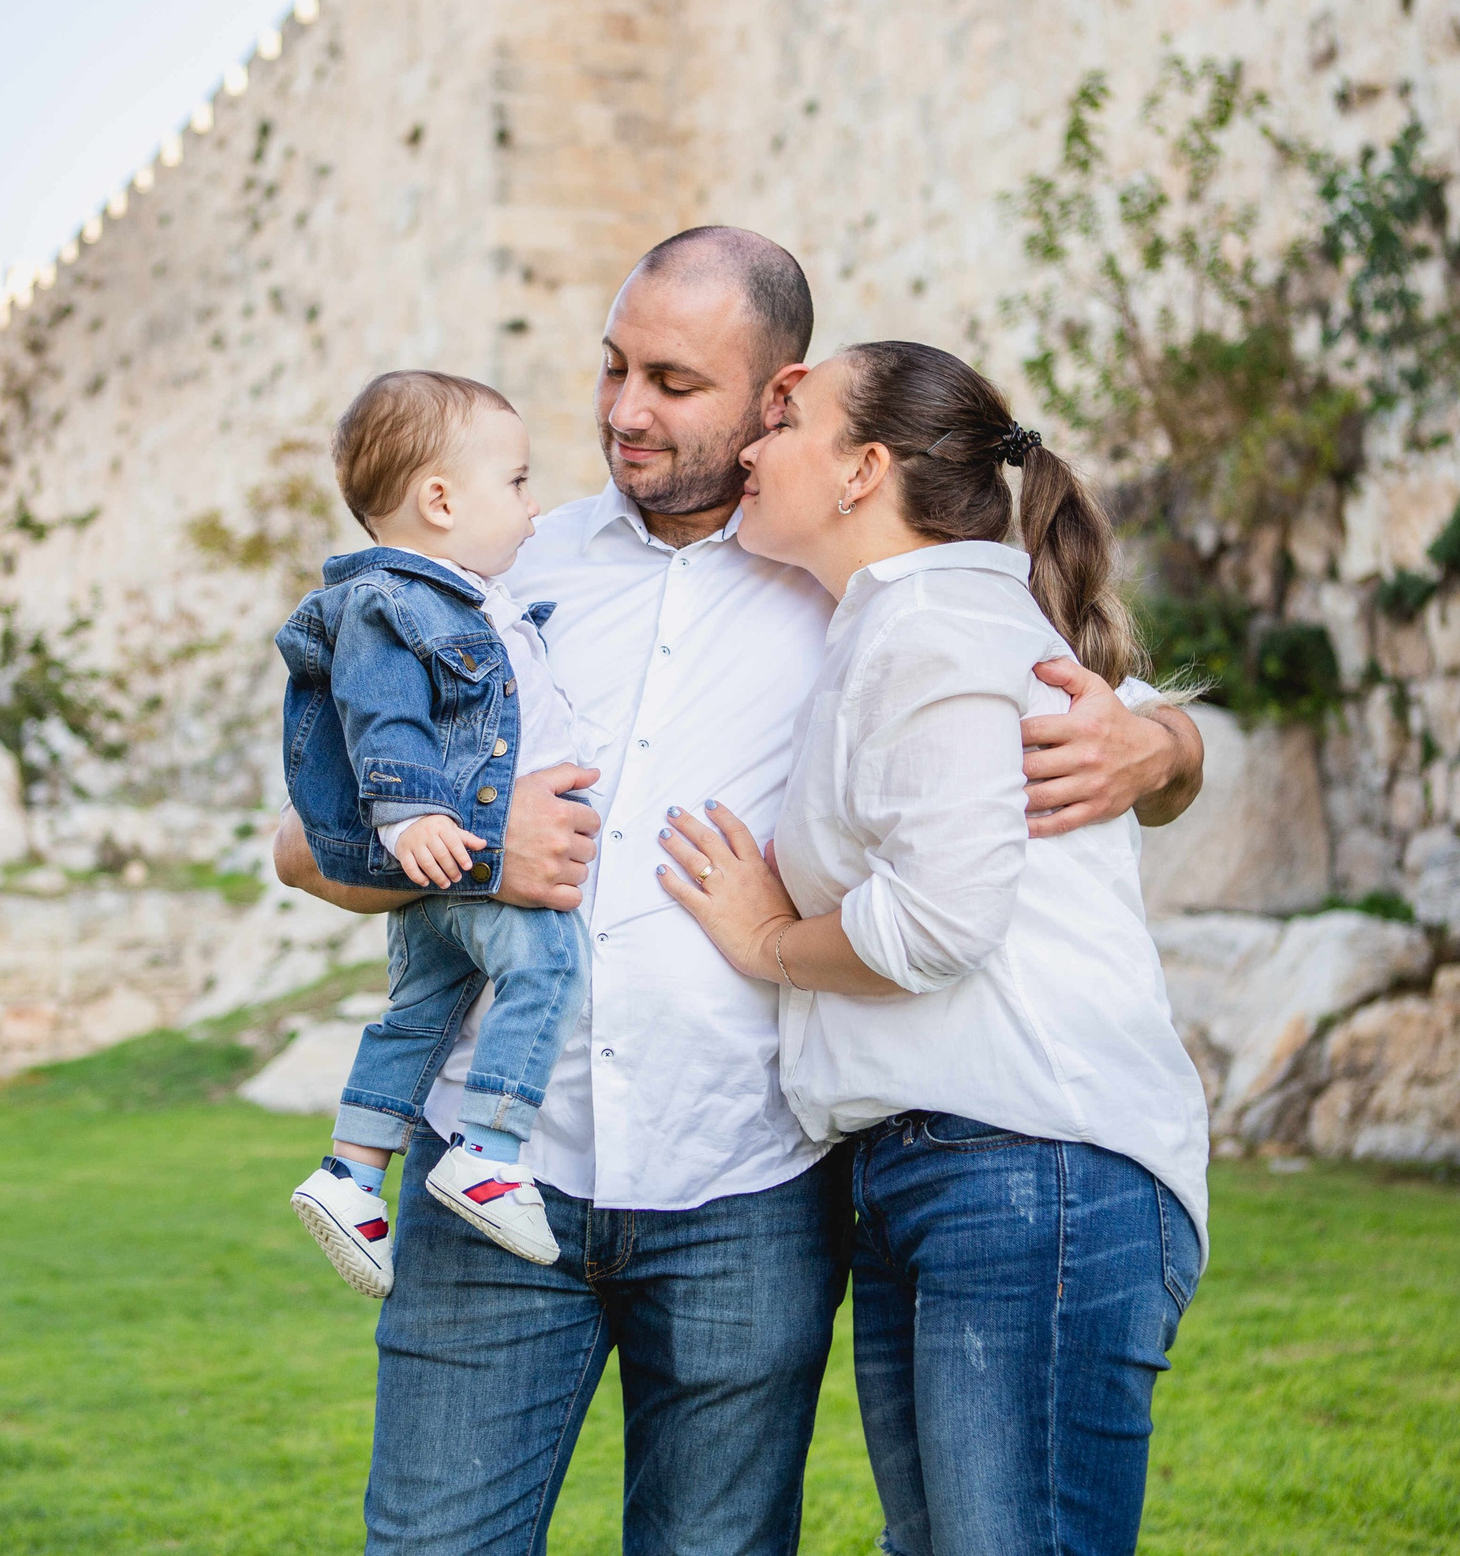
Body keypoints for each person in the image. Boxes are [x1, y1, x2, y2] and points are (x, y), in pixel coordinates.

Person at [273, 228, 1207, 1554]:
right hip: (495, 1169)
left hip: (747, 1198)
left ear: (779, 395)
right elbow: (301, 838)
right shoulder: (496, 564)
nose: (623, 410)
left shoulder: (853, 575)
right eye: (611, 367)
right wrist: (476, 845)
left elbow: (1085, 702)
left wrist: (1164, 742)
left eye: (673, 380)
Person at [654, 340, 1210, 1556]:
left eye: (784, 422)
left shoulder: (937, 624)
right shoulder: (912, 618)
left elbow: (942, 918)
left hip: (1024, 1167)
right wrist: (1170, 741)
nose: (750, 446)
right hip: (946, 1173)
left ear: (861, 470)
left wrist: (769, 940)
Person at [279, 370, 597, 1296]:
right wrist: (412, 813)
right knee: (549, 966)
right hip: (459, 856)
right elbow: (382, 716)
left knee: (420, 1015)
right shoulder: (397, 601)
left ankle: (349, 1175)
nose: (535, 512)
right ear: (442, 500)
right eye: (519, 483)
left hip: (441, 871)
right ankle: (490, 1148)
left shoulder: (473, 598)